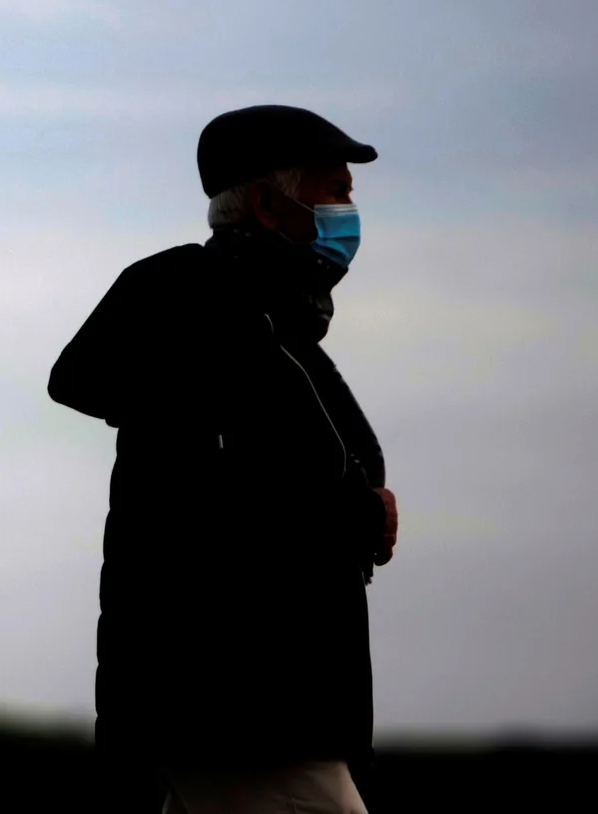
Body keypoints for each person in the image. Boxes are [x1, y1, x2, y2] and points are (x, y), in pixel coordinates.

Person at [49, 105, 400, 814]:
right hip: (242, 710)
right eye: (335, 191)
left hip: (251, 714)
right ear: (270, 205)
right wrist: (357, 512)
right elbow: (231, 503)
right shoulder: (207, 312)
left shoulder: (264, 323)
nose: (349, 213)